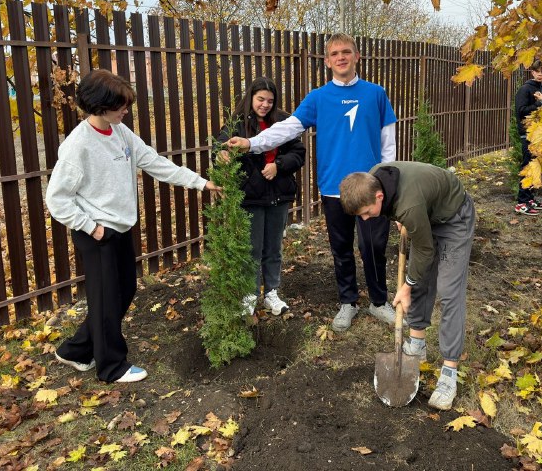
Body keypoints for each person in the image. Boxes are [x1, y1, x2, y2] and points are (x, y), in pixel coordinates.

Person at [46, 69, 220, 383]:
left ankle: (75, 350)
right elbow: (57, 198)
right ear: (100, 106)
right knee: (106, 298)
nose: (126, 110)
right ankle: (112, 366)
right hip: (97, 233)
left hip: (120, 227)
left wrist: (200, 183)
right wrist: (92, 227)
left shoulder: (120, 132)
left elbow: (155, 163)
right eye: (121, 105)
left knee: (122, 290)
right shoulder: (78, 146)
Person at [225, 33, 398, 332]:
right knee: (341, 248)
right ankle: (348, 302)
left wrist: (388, 181)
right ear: (328, 61)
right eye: (334, 54)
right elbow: (286, 129)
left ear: (357, 57)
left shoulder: (376, 94)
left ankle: (378, 301)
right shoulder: (318, 98)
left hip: (371, 188)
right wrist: (251, 143)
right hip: (334, 188)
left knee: (373, 245)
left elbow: (389, 143)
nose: (341, 57)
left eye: (346, 52)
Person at [339, 161, 475, 411]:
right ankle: (417, 344)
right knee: (420, 279)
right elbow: (402, 206)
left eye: (367, 212)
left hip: (454, 216)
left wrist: (405, 287)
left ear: (379, 196)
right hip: (424, 211)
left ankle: (449, 372)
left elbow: (424, 249)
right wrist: (400, 217)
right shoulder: (372, 180)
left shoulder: (409, 205)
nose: (366, 219)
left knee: (449, 292)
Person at [216, 77, 306, 316]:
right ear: (251, 98)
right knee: (252, 248)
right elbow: (221, 147)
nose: (265, 105)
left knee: (273, 247)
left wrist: (279, 164)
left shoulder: (284, 121)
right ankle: (250, 293)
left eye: (270, 100)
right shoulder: (236, 124)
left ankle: (271, 293)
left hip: (279, 194)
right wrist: (222, 156)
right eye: (260, 99)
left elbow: (298, 153)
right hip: (251, 197)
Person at [514, 59, 542, 215]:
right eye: (537, 71)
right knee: (527, 166)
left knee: (535, 166)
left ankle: (529, 199)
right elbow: (521, 110)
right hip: (528, 133)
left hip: (541, 133)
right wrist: (538, 104)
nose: (540, 74)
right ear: (532, 72)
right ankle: (521, 203)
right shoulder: (526, 89)